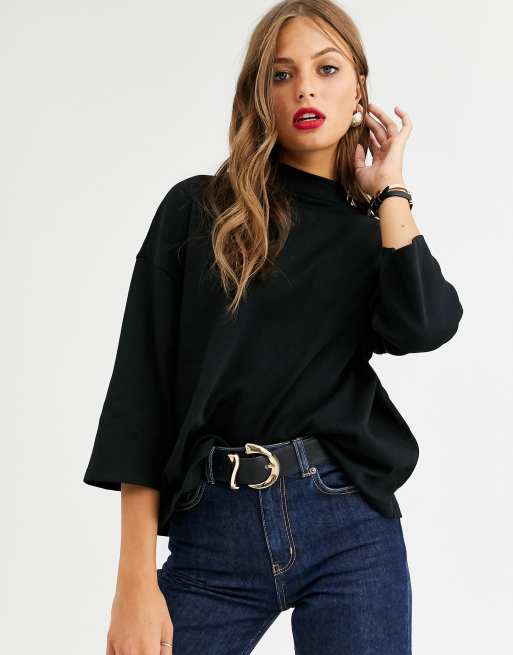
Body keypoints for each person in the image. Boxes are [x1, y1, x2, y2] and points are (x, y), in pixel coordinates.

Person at [83, 1, 463, 653]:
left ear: (359, 90)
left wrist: (390, 190)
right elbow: (141, 395)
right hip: (213, 530)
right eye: (282, 74)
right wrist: (133, 581)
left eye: (326, 68)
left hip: (348, 526)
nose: (305, 88)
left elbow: (425, 324)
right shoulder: (197, 211)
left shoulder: (370, 236)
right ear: (260, 95)